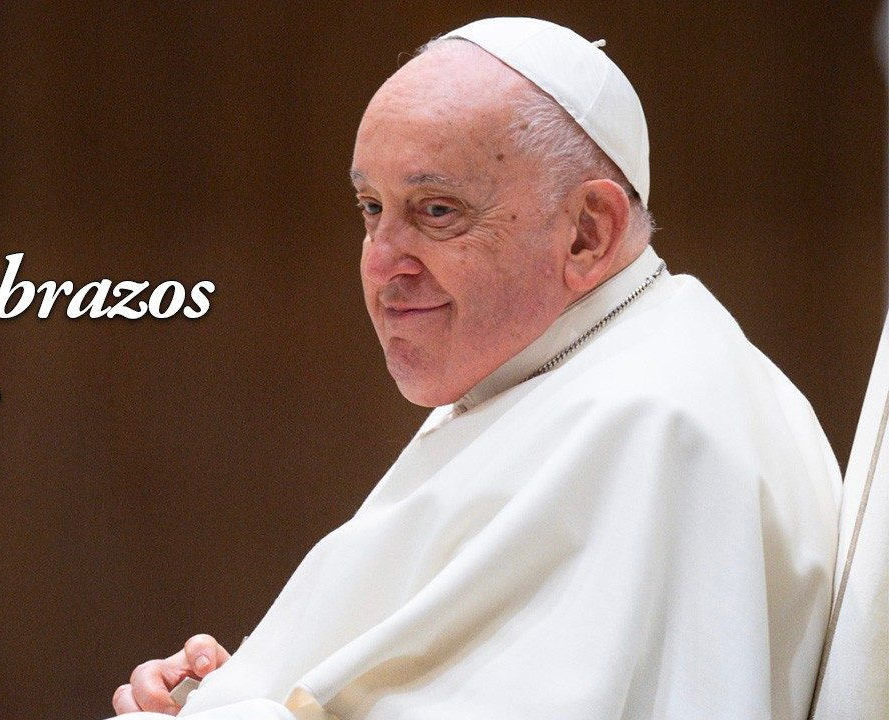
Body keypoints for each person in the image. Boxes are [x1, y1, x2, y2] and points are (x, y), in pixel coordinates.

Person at [111, 17, 840, 720]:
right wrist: (223, 693)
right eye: (371, 207)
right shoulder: (559, 370)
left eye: (436, 211)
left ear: (587, 233)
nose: (381, 263)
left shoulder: (648, 424)